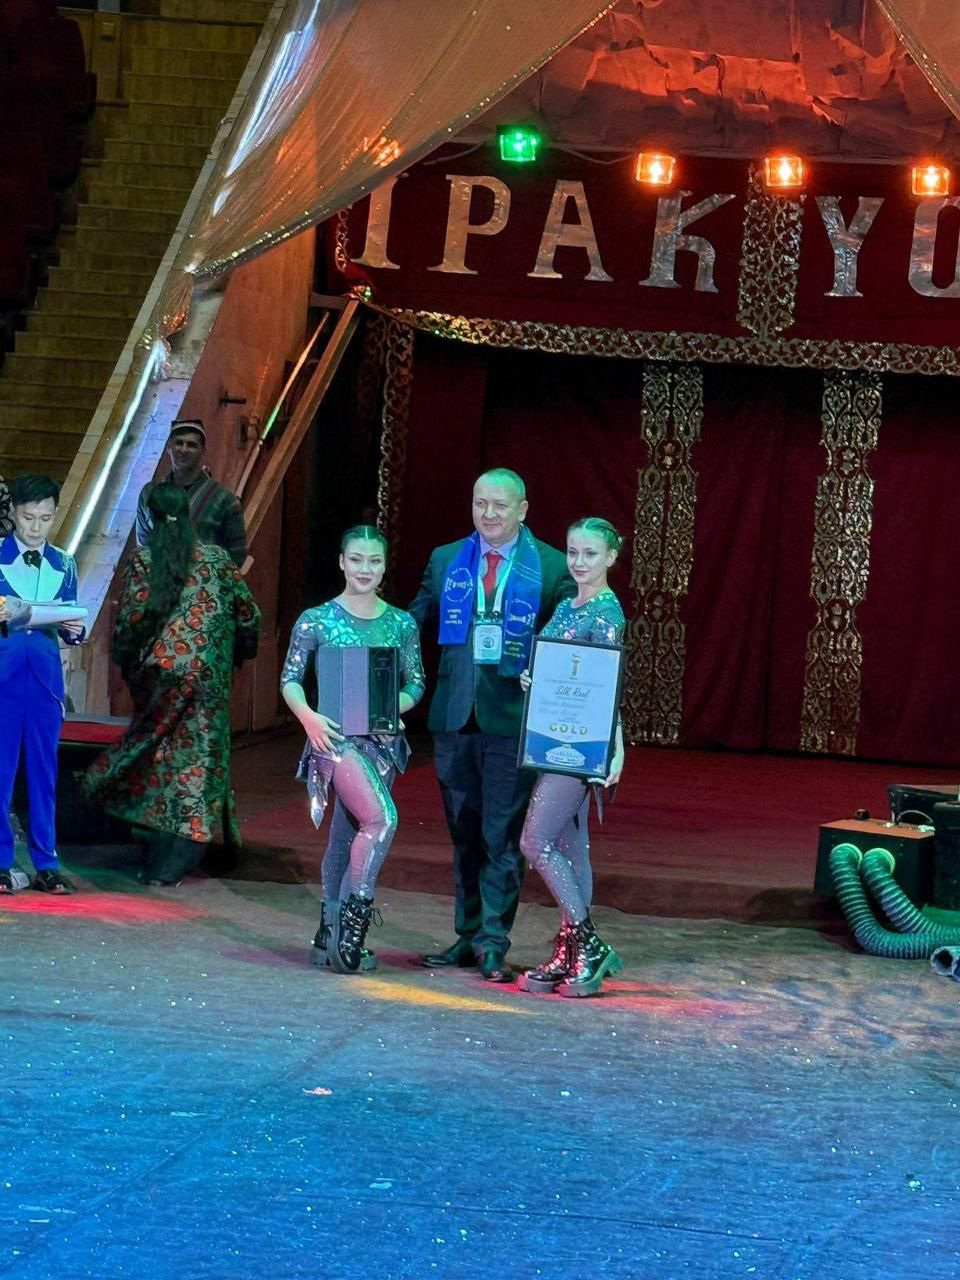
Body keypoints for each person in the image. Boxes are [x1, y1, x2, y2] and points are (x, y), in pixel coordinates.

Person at [409, 468, 574, 982]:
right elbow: (412, 622)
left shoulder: (551, 566)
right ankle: (467, 934)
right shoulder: (446, 559)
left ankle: (493, 943)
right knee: (463, 834)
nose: (489, 513)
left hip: (512, 719)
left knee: (500, 836)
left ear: (523, 509)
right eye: (481, 503)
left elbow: (570, 642)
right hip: (455, 717)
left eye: (500, 505)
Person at [84, 484, 260, 885]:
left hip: (160, 681)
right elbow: (249, 615)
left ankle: (152, 850)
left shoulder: (143, 560)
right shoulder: (217, 559)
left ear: (148, 517)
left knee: (158, 758)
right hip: (209, 680)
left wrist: (129, 667)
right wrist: (234, 654)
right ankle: (177, 860)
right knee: (198, 764)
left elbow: (130, 622)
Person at [281, 525, 425, 974]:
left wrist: (392, 706)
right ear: (342, 562)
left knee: (346, 834)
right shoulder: (316, 619)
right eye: (357, 560)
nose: (365, 569)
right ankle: (353, 927)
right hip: (334, 740)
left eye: (374, 561)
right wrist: (308, 717)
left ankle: (328, 931)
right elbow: (290, 679)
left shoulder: (401, 623)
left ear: (383, 566)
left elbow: (416, 683)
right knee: (381, 820)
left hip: (381, 743)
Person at [516, 517, 626, 998]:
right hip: (552, 737)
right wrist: (534, 679)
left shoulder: (606, 613)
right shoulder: (566, 606)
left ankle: (588, 943)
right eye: (573, 552)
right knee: (569, 847)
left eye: (590, 553)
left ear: (611, 557)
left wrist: (616, 748)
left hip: (582, 745)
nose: (579, 562)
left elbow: (608, 687)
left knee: (534, 841)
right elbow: (555, 668)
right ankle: (570, 949)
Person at [0, 474, 85, 895]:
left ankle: (46, 863)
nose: (36, 527)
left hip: (45, 681)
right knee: (0, 770)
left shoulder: (64, 564)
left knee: (43, 771)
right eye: (28, 517)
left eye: (45, 518)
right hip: (3, 677)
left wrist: (74, 629)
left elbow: (73, 625)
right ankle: (1, 862)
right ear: (13, 513)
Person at [135, 419, 247, 567]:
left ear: (203, 451)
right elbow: (143, 546)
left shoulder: (224, 499)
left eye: (192, 445)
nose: (184, 450)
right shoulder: (149, 494)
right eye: (179, 443)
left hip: (206, 579)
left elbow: (238, 555)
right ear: (169, 448)